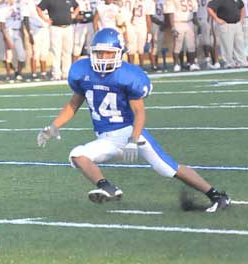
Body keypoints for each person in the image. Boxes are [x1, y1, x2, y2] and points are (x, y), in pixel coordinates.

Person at [37, 28, 231, 213]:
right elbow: (73, 104)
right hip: (106, 139)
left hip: (129, 132)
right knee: (77, 155)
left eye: (108, 53)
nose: (103, 58)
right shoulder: (82, 72)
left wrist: (133, 139)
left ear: (119, 53)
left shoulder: (128, 76)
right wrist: (54, 126)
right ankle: (108, 188)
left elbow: (139, 113)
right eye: (99, 53)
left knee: (167, 168)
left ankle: (217, 196)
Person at [37, 0, 79, 80]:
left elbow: (77, 6)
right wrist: (45, 19)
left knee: (67, 51)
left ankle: (66, 73)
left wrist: (74, 15)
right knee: (56, 51)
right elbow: (39, 8)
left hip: (68, 27)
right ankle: (56, 74)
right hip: (55, 28)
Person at [208, 0, 247, 68]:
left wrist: (242, 19)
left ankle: (242, 62)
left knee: (239, 44)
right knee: (227, 46)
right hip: (225, 25)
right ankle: (229, 63)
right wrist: (217, 19)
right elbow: (209, 8)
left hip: (237, 24)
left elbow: (242, 7)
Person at [164, 0, 200, 72]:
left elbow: (194, 12)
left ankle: (192, 63)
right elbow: (171, 13)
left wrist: (197, 24)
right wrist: (173, 27)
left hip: (189, 22)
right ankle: (176, 64)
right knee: (178, 45)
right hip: (178, 22)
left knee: (191, 45)